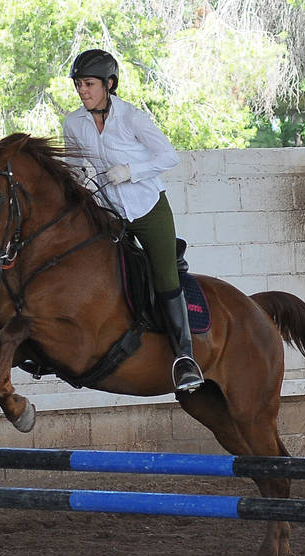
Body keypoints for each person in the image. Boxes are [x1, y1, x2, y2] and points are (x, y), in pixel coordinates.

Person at [63, 49, 203, 393]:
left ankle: (185, 358)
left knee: (165, 276)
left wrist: (130, 172)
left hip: (147, 208)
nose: (83, 90)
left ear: (109, 84)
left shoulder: (133, 118)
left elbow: (167, 156)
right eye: (79, 84)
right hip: (108, 212)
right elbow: (72, 164)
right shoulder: (73, 123)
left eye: (89, 84)